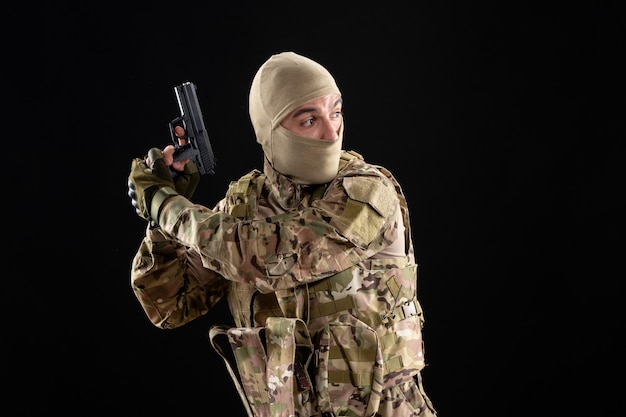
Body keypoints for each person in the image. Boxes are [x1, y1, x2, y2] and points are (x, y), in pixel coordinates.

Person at [127, 51, 437, 417]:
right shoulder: (242, 210)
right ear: (269, 130)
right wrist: (163, 220)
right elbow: (167, 303)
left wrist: (166, 206)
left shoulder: (367, 192)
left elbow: (273, 258)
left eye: (335, 112)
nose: (330, 131)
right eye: (309, 119)